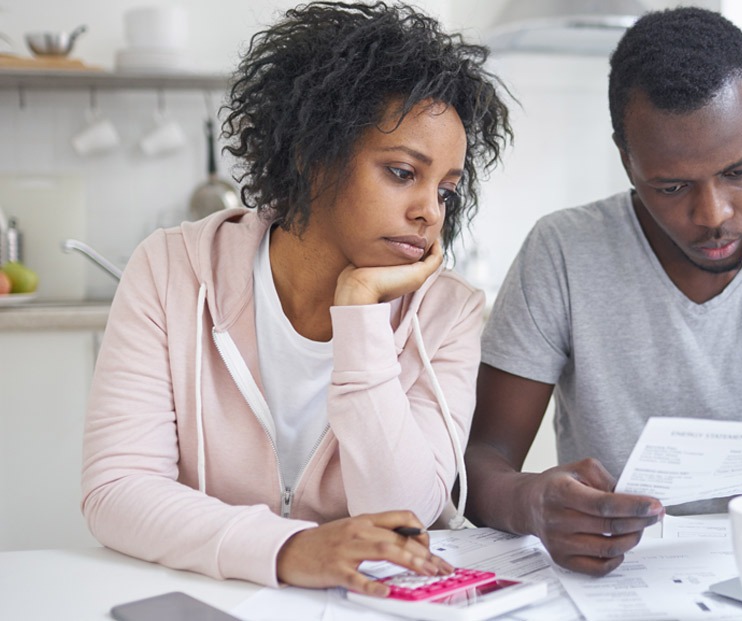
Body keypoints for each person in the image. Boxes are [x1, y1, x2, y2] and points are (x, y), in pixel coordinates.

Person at [465, 7, 742, 577]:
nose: (714, 215)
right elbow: (480, 462)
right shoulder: (563, 250)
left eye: (739, 171)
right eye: (672, 185)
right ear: (627, 158)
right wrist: (531, 502)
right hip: (615, 586)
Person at [81, 1, 511, 595]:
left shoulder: (447, 311)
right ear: (313, 155)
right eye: (402, 173)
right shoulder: (171, 269)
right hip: (206, 600)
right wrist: (287, 548)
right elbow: (117, 490)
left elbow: (406, 513)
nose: (429, 212)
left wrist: (359, 311)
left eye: (446, 189)